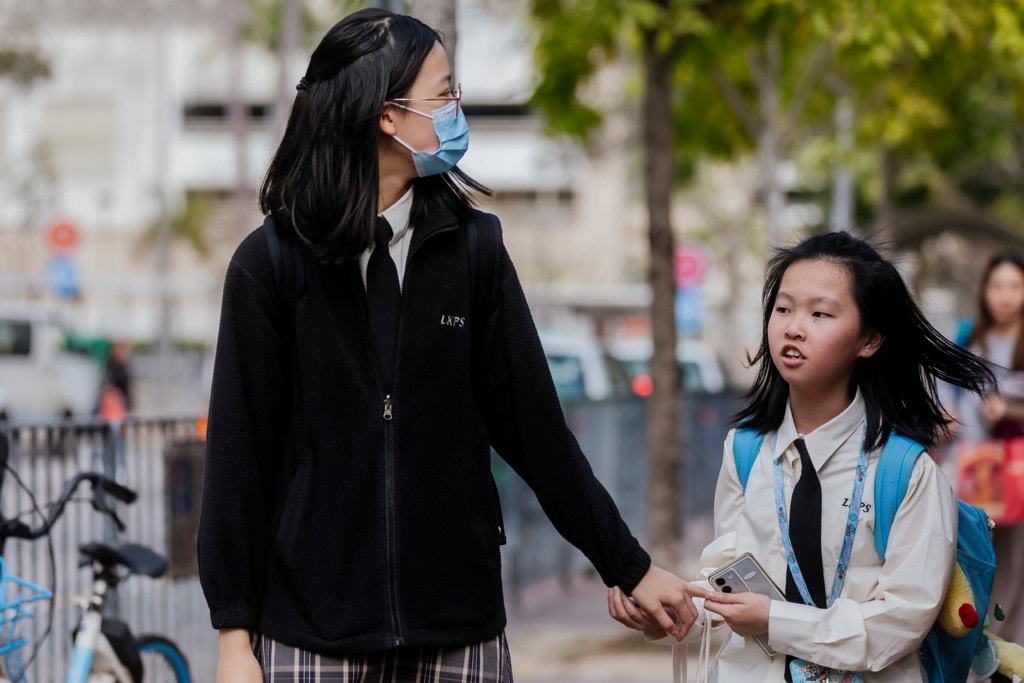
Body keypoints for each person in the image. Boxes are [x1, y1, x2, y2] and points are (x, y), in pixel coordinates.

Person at [197, 8, 702, 683]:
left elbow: (537, 432)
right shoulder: (270, 264)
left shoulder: (475, 251)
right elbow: (239, 461)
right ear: (387, 115)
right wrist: (234, 641)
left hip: (459, 631)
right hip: (311, 635)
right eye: (443, 94)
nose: (456, 108)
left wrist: (629, 566)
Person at [608, 231, 994, 681]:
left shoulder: (906, 473)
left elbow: (903, 621)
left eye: (820, 313)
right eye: (783, 309)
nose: (793, 327)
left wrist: (776, 621)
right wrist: (666, 613)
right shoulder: (746, 450)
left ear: (869, 340)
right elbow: (727, 585)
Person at [952, 252, 1024, 646]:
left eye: (1015, 286)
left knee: (1016, 560)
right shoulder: (969, 336)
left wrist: (1009, 409)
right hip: (977, 464)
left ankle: (1011, 647)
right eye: (997, 286)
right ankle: (978, 645)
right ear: (984, 291)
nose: (1006, 296)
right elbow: (952, 395)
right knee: (977, 554)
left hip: (1018, 466)